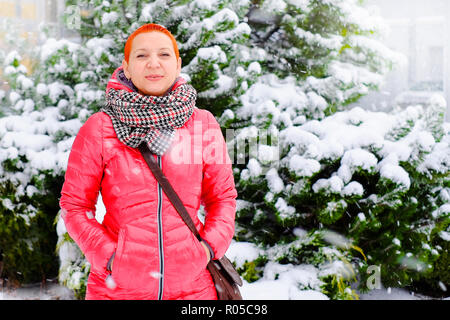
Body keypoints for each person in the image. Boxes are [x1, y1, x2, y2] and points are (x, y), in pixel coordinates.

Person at [59, 23, 237, 300]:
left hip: (194, 289)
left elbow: (223, 197)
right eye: (141, 56)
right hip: (118, 290)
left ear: (178, 65)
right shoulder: (100, 127)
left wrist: (207, 249)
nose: (153, 63)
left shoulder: (203, 124)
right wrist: (110, 258)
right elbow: (75, 206)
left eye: (164, 55)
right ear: (126, 67)